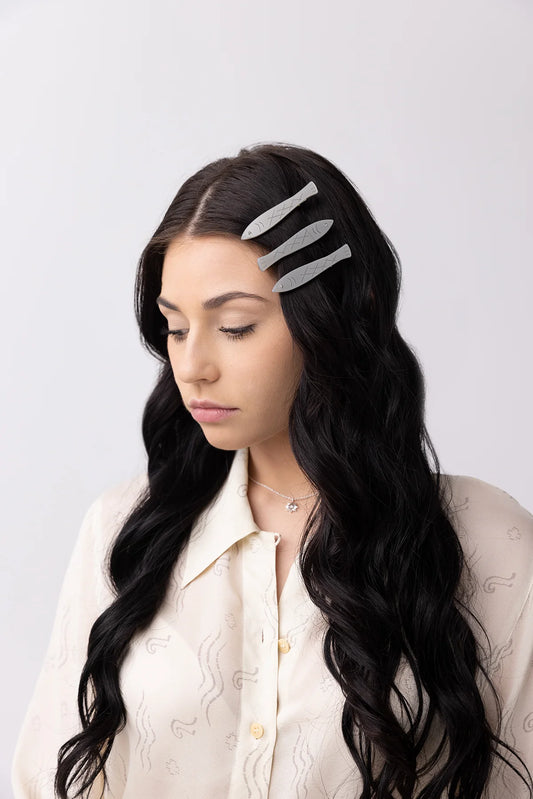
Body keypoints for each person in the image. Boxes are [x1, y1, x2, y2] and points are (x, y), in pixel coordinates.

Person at [12, 142, 533, 799]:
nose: (192, 367)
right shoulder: (123, 530)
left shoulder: (486, 540)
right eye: (175, 328)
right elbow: (46, 778)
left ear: (338, 314)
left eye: (235, 326)